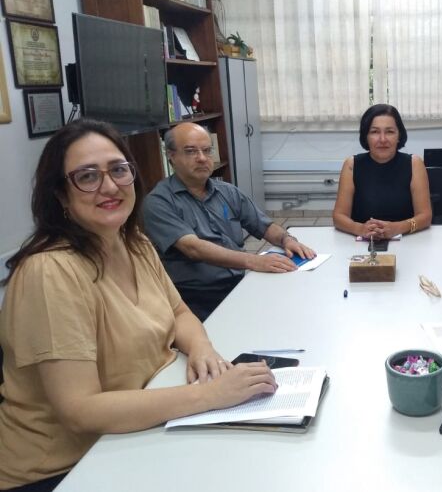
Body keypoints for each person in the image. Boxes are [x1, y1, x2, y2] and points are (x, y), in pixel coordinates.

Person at [0, 120, 277, 492]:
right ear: (60, 195)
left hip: (136, 431)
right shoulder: (50, 272)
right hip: (65, 468)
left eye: (118, 170)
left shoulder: (134, 244)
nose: (110, 186)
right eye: (87, 176)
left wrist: (201, 348)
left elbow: (179, 313)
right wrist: (209, 395)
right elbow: (79, 410)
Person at [143, 122, 316, 321]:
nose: (201, 158)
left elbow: (265, 226)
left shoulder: (226, 191)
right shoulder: (158, 202)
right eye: (191, 151)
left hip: (240, 283)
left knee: (298, 305)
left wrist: (287, 240)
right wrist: (254, 261)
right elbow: (194, 248)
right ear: (171, 155)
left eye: (207, 151)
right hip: (197, 300)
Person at [332, 104, 432, 239]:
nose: (383, 139)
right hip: (361, 244)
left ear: (399, 135)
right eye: (374, 132)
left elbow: (425, 217)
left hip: (408, 240)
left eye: (390, 131)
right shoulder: (352, 165)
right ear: (366, 136)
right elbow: (338, 217)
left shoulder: (414, 164)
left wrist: (398, 228)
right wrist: (360, 229)